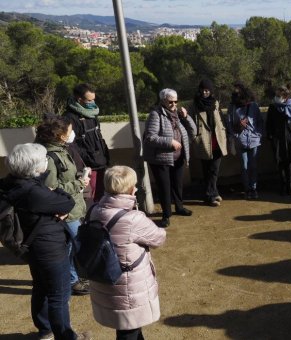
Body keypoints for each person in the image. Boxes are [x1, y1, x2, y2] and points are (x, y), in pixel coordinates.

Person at [0, 143, 91, 340]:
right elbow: (68, 201)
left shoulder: (11, 185)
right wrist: (54, 191)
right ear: (34, 167)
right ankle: (67, 336)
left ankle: (46, 330)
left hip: (32, 246)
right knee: (59, 294)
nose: (46, 162)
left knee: (40, 287)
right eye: (43, 160)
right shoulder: (33, 192)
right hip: (49, 247)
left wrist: (48, 191)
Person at [87, 166, 166, 340]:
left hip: (104, 277)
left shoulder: (94, 210)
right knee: (128, 329)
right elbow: (159, 238)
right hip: (128, 283)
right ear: (130, 189)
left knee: (126, 326)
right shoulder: (132, 219)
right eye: (134, 185)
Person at [35, 115, 91, 296]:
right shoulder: (51, 156)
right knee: (75, 245)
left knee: (70, 246)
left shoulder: (60, 150)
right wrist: (79, 183)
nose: (72, 133)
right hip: (66, 210)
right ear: (60, 135)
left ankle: (71, 279)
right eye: (69, 130)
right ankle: (71, 280)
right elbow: (51, 188)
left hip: (71, 207)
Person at [143, 88, 196, 228]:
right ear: (163, 101)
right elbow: (150, 137)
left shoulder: (177, 114)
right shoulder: (156, 114)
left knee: (178, 184)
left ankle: (179, 207)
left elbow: (193, 131)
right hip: (161, 158)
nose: (174, 104)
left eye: (176, 101)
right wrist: (170, 142)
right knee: (164, 188)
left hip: (178, 157)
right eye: (170, 102)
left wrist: (187, 117)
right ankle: (166, 214)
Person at [62, 83, 110, 204]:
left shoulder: (92, 114)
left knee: (101, 196)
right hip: (88, 166)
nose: (93, 102)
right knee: (91, 199)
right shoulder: (69, 118)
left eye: (94, 99)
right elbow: (71, 144)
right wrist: (86, 160)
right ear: (79, 99)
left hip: (100, 161)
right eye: (89, 100)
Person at [189, 79, 228, 206]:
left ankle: (212, 193)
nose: (205, 92)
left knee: (214, 169)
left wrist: (224, 132)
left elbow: (220, 118)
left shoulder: (215, 103)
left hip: (217, 140)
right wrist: (195, 138)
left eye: (207, 90)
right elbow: (189, 122)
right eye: (203, 90)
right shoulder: (194, 105)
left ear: (211, 91)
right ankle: (211, 195)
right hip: (204, 141)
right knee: (207, 170)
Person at [226, 82, 263, 199]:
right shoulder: (232, 107)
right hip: (240, 141)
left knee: (253, 166)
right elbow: (229, 124)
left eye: (238, 90)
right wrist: (235, 135)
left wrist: (258, 134)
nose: (236, 93)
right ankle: (247, 189)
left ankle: (254, 188)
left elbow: (260, 121)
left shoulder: (253, 105)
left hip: (254, 140)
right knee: (244, 166)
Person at [266, 84, 291, 195]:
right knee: (280, 162)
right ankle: (282, 184)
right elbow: (269, 123)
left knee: (290, 162)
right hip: (278, 139)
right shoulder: (272, 107)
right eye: (277, 94)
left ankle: (289, 185)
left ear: (285, 96)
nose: (277, 97)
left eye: (280, 95)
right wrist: (271, 136)